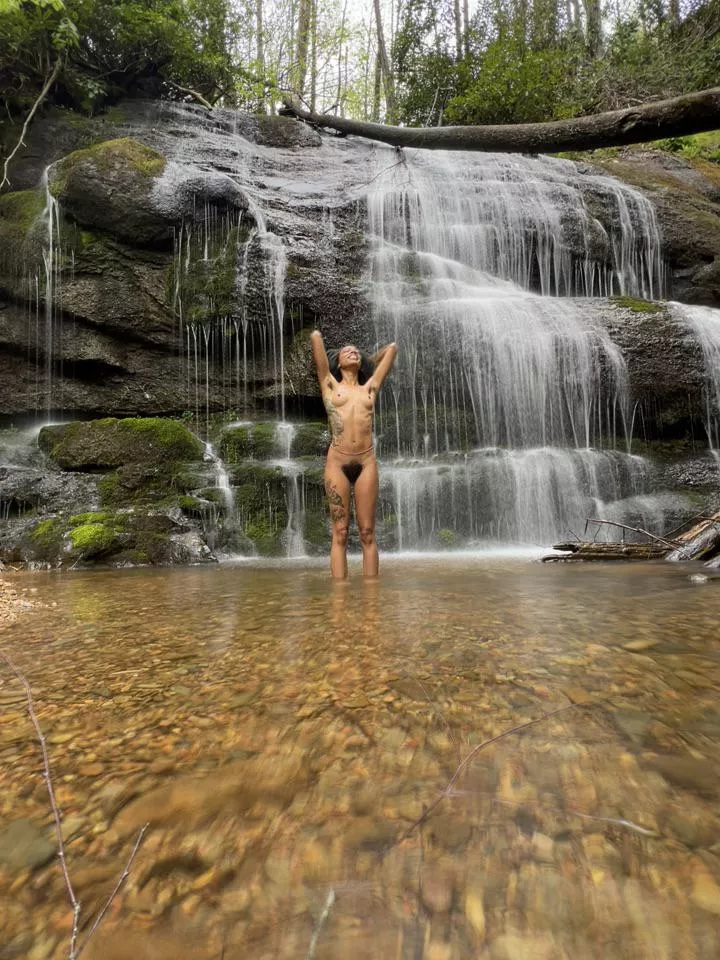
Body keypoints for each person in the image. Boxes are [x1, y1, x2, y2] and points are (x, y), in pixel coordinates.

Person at [310, 330, 397, 579]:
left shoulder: (371, 387)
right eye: (347, 351)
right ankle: (340, 596)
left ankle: (372, 596)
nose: (353, 351)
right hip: (337, 462)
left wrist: (367, 361)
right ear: (337, 361)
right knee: (340, 532)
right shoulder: (329, 384)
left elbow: (392, 349)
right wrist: (338, 352)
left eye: (356, 351)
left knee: (367, 532)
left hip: (366, 461)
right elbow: (316, 338)